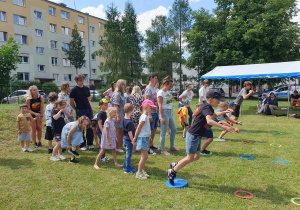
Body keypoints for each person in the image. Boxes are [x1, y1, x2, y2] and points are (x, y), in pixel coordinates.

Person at [166, 90, 234, 185]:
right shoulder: (206, 107)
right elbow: (209, 121)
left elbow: (214, 115)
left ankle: (176, 164)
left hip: (197, 135)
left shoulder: (208, 107)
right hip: (193, 135)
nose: (219, 102)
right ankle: (172, 172)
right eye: (217, 100)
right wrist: (224, 126)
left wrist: (225, 111)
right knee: (189, 157)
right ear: (210, 99)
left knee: (196, 157)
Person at [133, 100, 157, 179]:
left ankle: (142, 170)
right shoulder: (143, 117)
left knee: (144, 156)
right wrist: (135, 138)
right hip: (142, 138)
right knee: (144, 156)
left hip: (145, 138)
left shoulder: (146, 116)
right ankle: (139, 173)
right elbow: (139, 128)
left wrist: (149, 138)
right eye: (151, 108)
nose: (152, 110)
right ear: (146, 108)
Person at [69, 74, 94, 150]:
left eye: (83, 80)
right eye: (80, 80)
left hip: (88, 109)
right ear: (76, 81)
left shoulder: (86, 88)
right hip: (80, 109)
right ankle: (82, 144)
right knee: (81, 126)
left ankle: (90, 143)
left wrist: (90, 107)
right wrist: (76, 108)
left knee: (90, 125)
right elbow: (71, 102)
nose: (82, 81)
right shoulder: (74, 90)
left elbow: (89, 98)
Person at [158, 76, 178, 155]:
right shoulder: (161, 93)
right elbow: (160, 105)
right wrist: (162, 116)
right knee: (163, 132)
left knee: (174, 130)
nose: (171, 87)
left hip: (169, 112)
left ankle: (172, 147)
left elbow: (169, 103)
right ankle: (163, 150)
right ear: (166, 84)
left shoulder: (166, 92)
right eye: (170, 86)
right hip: (164, 112)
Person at [145, 73, 160, 155]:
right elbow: (146, 101)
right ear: (151, 79)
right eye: (155, 78)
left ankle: (151, 144)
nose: (156, 79)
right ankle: (147, 148)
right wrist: (149, 114)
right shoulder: (148, 88)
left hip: (155, 111)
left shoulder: (154, 89)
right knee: (149, 130)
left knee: (154, 128)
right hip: (151, 112)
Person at [111, 79, 126, 153]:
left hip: (122, 114)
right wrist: (118, 116)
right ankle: (117, 146)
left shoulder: (121, 94)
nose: (125, 86)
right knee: (118, 131)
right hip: (118, 114)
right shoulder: (117, 94)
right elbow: (115, 106)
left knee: (122, 131)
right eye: (123, 84)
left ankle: (120, 145)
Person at [122, 103, 136, 174]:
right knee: (129, 154)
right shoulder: (129, 122)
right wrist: (133, 140)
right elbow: (130, 133)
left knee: (127, 154)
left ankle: (126, 166)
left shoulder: (124, 119)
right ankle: (127, 169)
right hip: (128, 140)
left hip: (125, 139)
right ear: (131, 111)